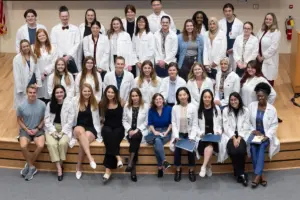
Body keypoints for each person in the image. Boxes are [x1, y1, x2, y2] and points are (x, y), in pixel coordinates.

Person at [248, 82, 280, 188]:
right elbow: (247, 121)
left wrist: (267, 135)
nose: (260, 98)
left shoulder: (272, 109)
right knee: (253, 147)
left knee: (261, 147)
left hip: (265, 135)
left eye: (262, 96)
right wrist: (253, 130)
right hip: (255, 134)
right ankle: (260, 175)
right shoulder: (252, 106)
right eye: (258, 96)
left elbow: (274, 125)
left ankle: (257, 175)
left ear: (267, 96)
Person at [44, 85, 75, 181]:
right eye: (57, 92)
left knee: (63, 143)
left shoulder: (69, 104)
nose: (59, 94)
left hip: (64, 128)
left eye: (61, 92)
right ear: (54, 94)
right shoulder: (50, 104)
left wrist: (62, 132)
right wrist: (52, 132)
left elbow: (70, 121)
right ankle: (59, 168)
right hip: (52, 128)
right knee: (52, 144)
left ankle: (60, 165)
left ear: (64, 93)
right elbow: (47, 120)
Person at [17, 85, 46, 181]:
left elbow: (44, 119)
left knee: (41, 145)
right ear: (27, 93)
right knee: (23, 146)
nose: (32, 94)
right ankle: (32, 167)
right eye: (30, 92)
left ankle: (29, 165)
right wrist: (26, 129)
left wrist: (38, 128)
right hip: (26, 130)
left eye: (34, 92)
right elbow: (19, 120)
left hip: (38, 130)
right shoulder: (21, 106)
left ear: (36, 93)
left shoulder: (42, 104)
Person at [73, 83, 101, 179]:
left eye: (89, 91)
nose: (87, 93)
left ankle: (78, 166)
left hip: (91, 127)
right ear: (81, 91)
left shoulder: (95, 101)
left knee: (84, 140)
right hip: (78, 126)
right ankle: (90, 158)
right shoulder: (75, 101)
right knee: (81, 132)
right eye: (85, 91)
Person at [222, 92, 251, 186]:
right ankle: (241, 174)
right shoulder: (226, 110)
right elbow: (225, 126)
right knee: (233, 151)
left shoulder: (245, 110)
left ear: (239, 100)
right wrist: (234, 137)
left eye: (235, 100)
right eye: (231, 100)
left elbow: (246, 125)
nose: (233, 102)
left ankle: (238, 173)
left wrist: (239, 137)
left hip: (242, 134)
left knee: (241, 151)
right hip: (230, 135)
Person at [171, 87, 198, 182]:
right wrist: (176, 136)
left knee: (191, 149)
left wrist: (192, 136)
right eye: (180, 95)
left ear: (188, 95)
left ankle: (191, 170)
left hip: (189, 133)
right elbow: (173, 123)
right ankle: (178, 169)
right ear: (177, 97)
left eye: (184, 94)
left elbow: (195, 124)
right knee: (177, 149)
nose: (182, 97)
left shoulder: (193, 107)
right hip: (179, 134)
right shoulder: (175, 108)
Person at [122, 88, 149, 182]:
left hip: (141, 130)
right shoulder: (127, 106)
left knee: (136, 136)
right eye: (133, 96)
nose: (134, 98)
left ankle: (131, 165)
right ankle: (131, 166)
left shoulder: (145, 106)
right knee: (135, 139)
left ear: (140, 96)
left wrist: (137, 129)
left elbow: (146, 122)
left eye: (136, 95)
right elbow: (124, 120)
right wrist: (129, 129)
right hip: (129, 131)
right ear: (130, 97)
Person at [99, 85, 125, 183]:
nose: (110, 94)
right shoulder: (102, 103)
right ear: (105, 93)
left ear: (115, 93)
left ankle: (108, 171)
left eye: (112, 92)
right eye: (108, 92)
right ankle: (118, 157)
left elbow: (126, 116)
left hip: (119, 127)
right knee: (108, 133)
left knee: (111, 140)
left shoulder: (121, 102)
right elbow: (101, 118)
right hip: (107, 127)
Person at [197, 89, 222, 178]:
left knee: (210, 145)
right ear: (202, 98)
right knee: (208, 146)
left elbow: (219, 124)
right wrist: (200, 132)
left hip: (213, 134)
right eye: (205, 97)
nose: (207, 99)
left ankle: (203, 166)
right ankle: (208, 166)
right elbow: (195, 125)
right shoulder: (199, 109)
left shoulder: (217, 109)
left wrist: (218, 132)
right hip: (203, 135)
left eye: (209, 97)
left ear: (211, 98)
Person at [146, 93, 172, 177]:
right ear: (154, 101)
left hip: (166, 131)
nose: (158, 100)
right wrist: (154, 132)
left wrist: (167, 132)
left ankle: (160, 167)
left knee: (156, 142)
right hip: (156, 131)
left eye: (160, 98)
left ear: (163, 100)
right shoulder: (151, 110)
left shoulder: (169, 109)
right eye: (156, 99)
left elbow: (171, 123)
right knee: (157, 140)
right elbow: (150, 123)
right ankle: (164, 161)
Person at [50, 6, 81, 74]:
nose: (65, 18)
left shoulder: (75, 29)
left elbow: (77, 43)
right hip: (59, 58)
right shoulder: (54, 29)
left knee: (73, 77)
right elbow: (53, 44)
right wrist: (62, 57)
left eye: (66, 16)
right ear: (59, 16)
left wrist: (68, 56)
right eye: (63, 16)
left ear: (69, 16)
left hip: (72, 58)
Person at [13, 39, 42, 108]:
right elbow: (16, 75)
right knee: (23, 105)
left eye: (27, 46)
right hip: (23, 84)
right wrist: (19, 88)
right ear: (21, 48)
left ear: (29, 46)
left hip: (33, 83)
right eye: (24, 46)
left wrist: (38, 82)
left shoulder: (33, 56)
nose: (26, 48)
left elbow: (37, 70)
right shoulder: (17, 58)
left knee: (33, 103)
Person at [34, 28, 58, 104]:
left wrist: (45, 73)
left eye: (43, 35)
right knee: (39, 95)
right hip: (38, 75)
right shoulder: (33, 48)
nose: (42, 37)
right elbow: (33, 63)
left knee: (49, 94)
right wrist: (39, 75)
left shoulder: (53, 47)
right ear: (37, 37)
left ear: (46, 36)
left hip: (50, 74)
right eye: (39, 36)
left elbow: (55, 61)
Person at [257, 13, 281, 87]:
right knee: (259, 78)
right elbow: (256, 41)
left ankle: (269, 96)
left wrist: (263, 57)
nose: (268, 21)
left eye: (270, 19)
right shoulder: (261, 30)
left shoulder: (276, 32)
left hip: (268, 58)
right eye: (266, 19)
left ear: (273, 21)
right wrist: (258, 55)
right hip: (259, 57)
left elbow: (273, 47)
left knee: (268, 79)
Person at [219, 3, 243, 70]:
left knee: (233, 69)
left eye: (229, 11)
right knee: (223, 69)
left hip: (234, 50)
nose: (227, 13)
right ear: (223, 12)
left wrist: (233, 49)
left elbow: (241, 39)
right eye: (226, 11)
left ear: (233, 11)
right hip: (223, 50)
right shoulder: (220, 23)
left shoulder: (239, 23)